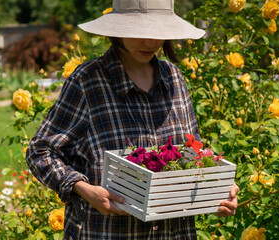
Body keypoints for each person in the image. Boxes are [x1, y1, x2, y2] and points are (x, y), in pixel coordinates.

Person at [26, 0, 239, 239]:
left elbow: (193, 150)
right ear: (118, 30)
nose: (151, 42)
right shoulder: (89, 82)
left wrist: (216, 190)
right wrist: (83, 189)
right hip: (107, 231)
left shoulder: (174, 79)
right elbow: (40, 151)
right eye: (140, 32)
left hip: (173, 232)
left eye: (159, 32)